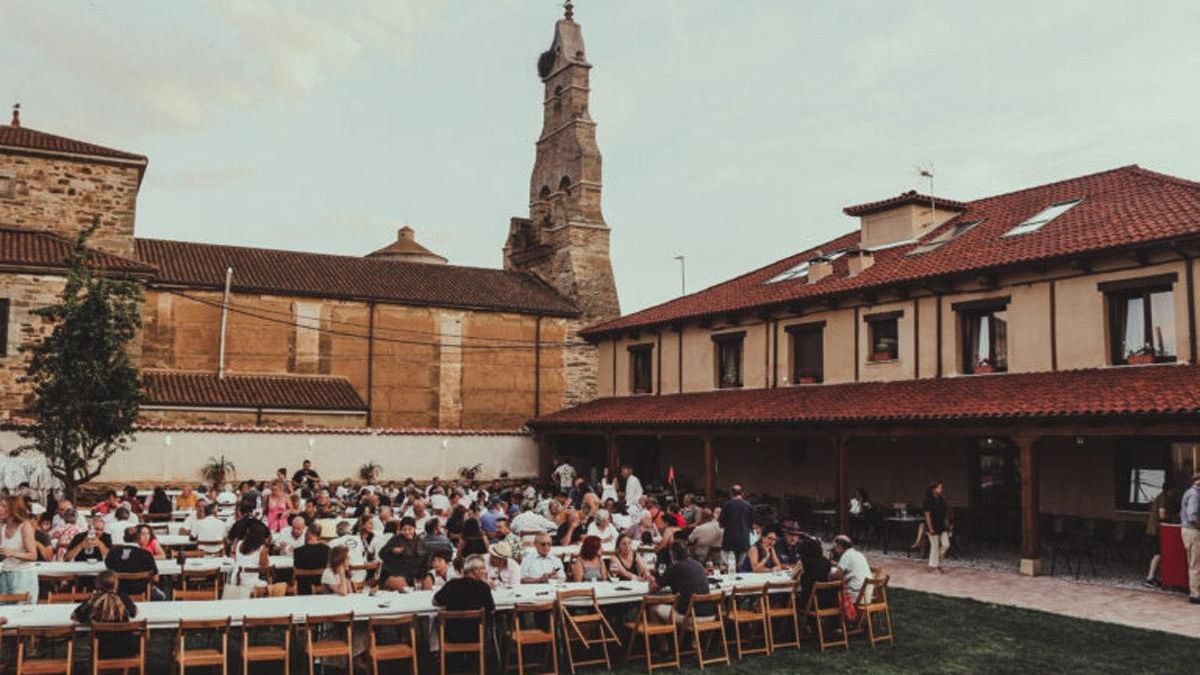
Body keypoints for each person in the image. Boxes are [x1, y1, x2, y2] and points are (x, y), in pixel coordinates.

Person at [71, 570, 138, 658]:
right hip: (127, 649)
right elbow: (134, 613)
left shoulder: (93, 601)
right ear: (116, 584)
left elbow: (75, 616)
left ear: (97, 584)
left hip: (102, 651)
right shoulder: (123, 598)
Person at [433, 555, 495, 644]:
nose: (484, 572)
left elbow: (435, 601)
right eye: (482, 569)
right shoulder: (483, 587)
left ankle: (436, 649)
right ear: (475, 570)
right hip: (477, 636)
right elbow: (491, 610)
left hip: (452, 635)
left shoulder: (451, 584)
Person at [649, 540, 710, 624]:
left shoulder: (674, 567)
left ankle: (667, 633)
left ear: (672, 554)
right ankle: (676, 631)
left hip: (690, 616)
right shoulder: (698, 565)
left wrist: (651, 581)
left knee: (653, 609)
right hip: (710, 614)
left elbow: (653, 588)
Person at [0, 496, 38, 603]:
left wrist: (13, 553)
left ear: (13, 509)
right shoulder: (2, 527)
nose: (0, 508)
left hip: (23, 576)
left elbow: (33, 555)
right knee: (4, 610)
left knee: (20, 610)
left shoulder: (25, 527)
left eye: (3, 506)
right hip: (5, 574)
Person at [105, 531, 162, 601]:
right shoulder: (146, 554)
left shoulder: (112, 553)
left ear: (123, 538)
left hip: (118, 591)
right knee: (162, 596)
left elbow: (108, 573)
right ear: (138, 539)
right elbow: (156, 579)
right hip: (141, 591)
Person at [380, 517, 430, 591]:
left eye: (410, 529)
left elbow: (426, 559)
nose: (407, 532)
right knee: (402, 585)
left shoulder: (419, 541)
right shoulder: (395, 539)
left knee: (427, 581)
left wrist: (422, 575)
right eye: (404, 530)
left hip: (414, 575)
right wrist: (392, 551)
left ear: (414, 529)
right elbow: (381, 554)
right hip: (395, 574)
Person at [1144, 482, 1179, 587]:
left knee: (1158, 553)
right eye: (1174, 490)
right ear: (1169, 490)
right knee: (1158, 553)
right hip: (1156, 531)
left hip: (1153, 530)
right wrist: (1174, 517)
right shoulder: (1163, 499)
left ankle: (1158, 576)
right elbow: (1162, 515)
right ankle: (1150, 577)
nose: (1175, 493)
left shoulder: (1161, 497)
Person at [226, 524, 271, 599]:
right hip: (251, 583)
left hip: (236, 580)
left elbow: (236, 559)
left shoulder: (239, 544)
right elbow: (264, 568)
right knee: (267, 584)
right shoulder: (262, 549)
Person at [718, 485, 753, 571]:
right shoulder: (749, 505)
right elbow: (751, 523)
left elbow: (721, 523)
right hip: (744, 539)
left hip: (729, 539)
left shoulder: (727, 505)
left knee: (727, 567)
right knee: (741, 567)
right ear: (742, 493)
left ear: (731, 494)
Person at [830, 535, 871, 601]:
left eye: (835, 547)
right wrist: (838, 565)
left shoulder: (846, 556)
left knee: (831, 591)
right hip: (867, 596)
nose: (835, 550)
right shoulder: (859, 554)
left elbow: (837, 576)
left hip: (854, 597)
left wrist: (829, 574)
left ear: (840, 546)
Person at [293, 525, 331, 595]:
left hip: (303, 586)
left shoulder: (298, 551)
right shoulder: (327, 549)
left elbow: (296, 571)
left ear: (309, 533)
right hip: (322, 583)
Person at [923, 481, 951, 573]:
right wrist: (930, 528)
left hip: (942, 526)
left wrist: (947, 525)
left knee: (946, 544)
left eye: (941, 488)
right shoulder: (927, 501)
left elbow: (945, 514)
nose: (941, 489)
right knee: (934, 546)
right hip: (933, 526)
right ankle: (933, 565)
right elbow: (927, 516)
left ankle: (935, 562)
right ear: (933, 489)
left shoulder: (942, 500)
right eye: (939, 488)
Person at [1181, 472, 1200, 604]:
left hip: (1188, 531)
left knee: (1195, 562)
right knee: (1196, 563)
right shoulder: (1195, 495)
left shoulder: (1189, 492)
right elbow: (1192, 517)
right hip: (1193, 531)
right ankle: (1195, 594)